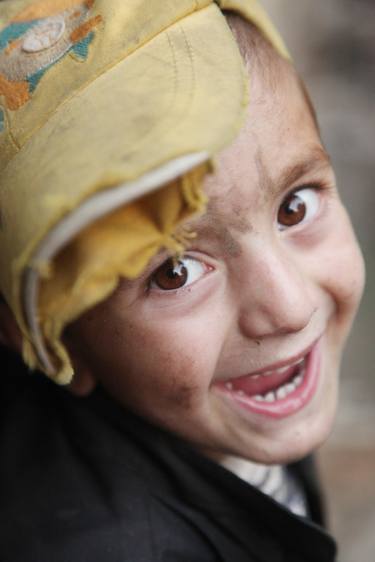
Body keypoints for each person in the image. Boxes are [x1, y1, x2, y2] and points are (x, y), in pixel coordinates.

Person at [0, 1, 365, 561]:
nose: (289, 307)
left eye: (293, 208)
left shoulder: (245, 391)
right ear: (52, 342)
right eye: (175, 272)